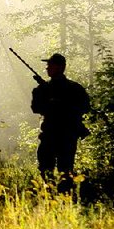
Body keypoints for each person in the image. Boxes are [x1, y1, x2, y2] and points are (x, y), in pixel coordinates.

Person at [31, 53, 90, 193]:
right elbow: (36, 108)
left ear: (60, 67)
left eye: (51, 65)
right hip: (49, 135)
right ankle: (48, 197)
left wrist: (61, 104)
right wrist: (48, 99)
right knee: (45, 168)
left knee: (65, 170)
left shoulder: (75, 89)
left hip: (66, 135)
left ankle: (65, 199)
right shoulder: (42, 89)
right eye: (48, 65)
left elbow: (85, 107)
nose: (47, 68)